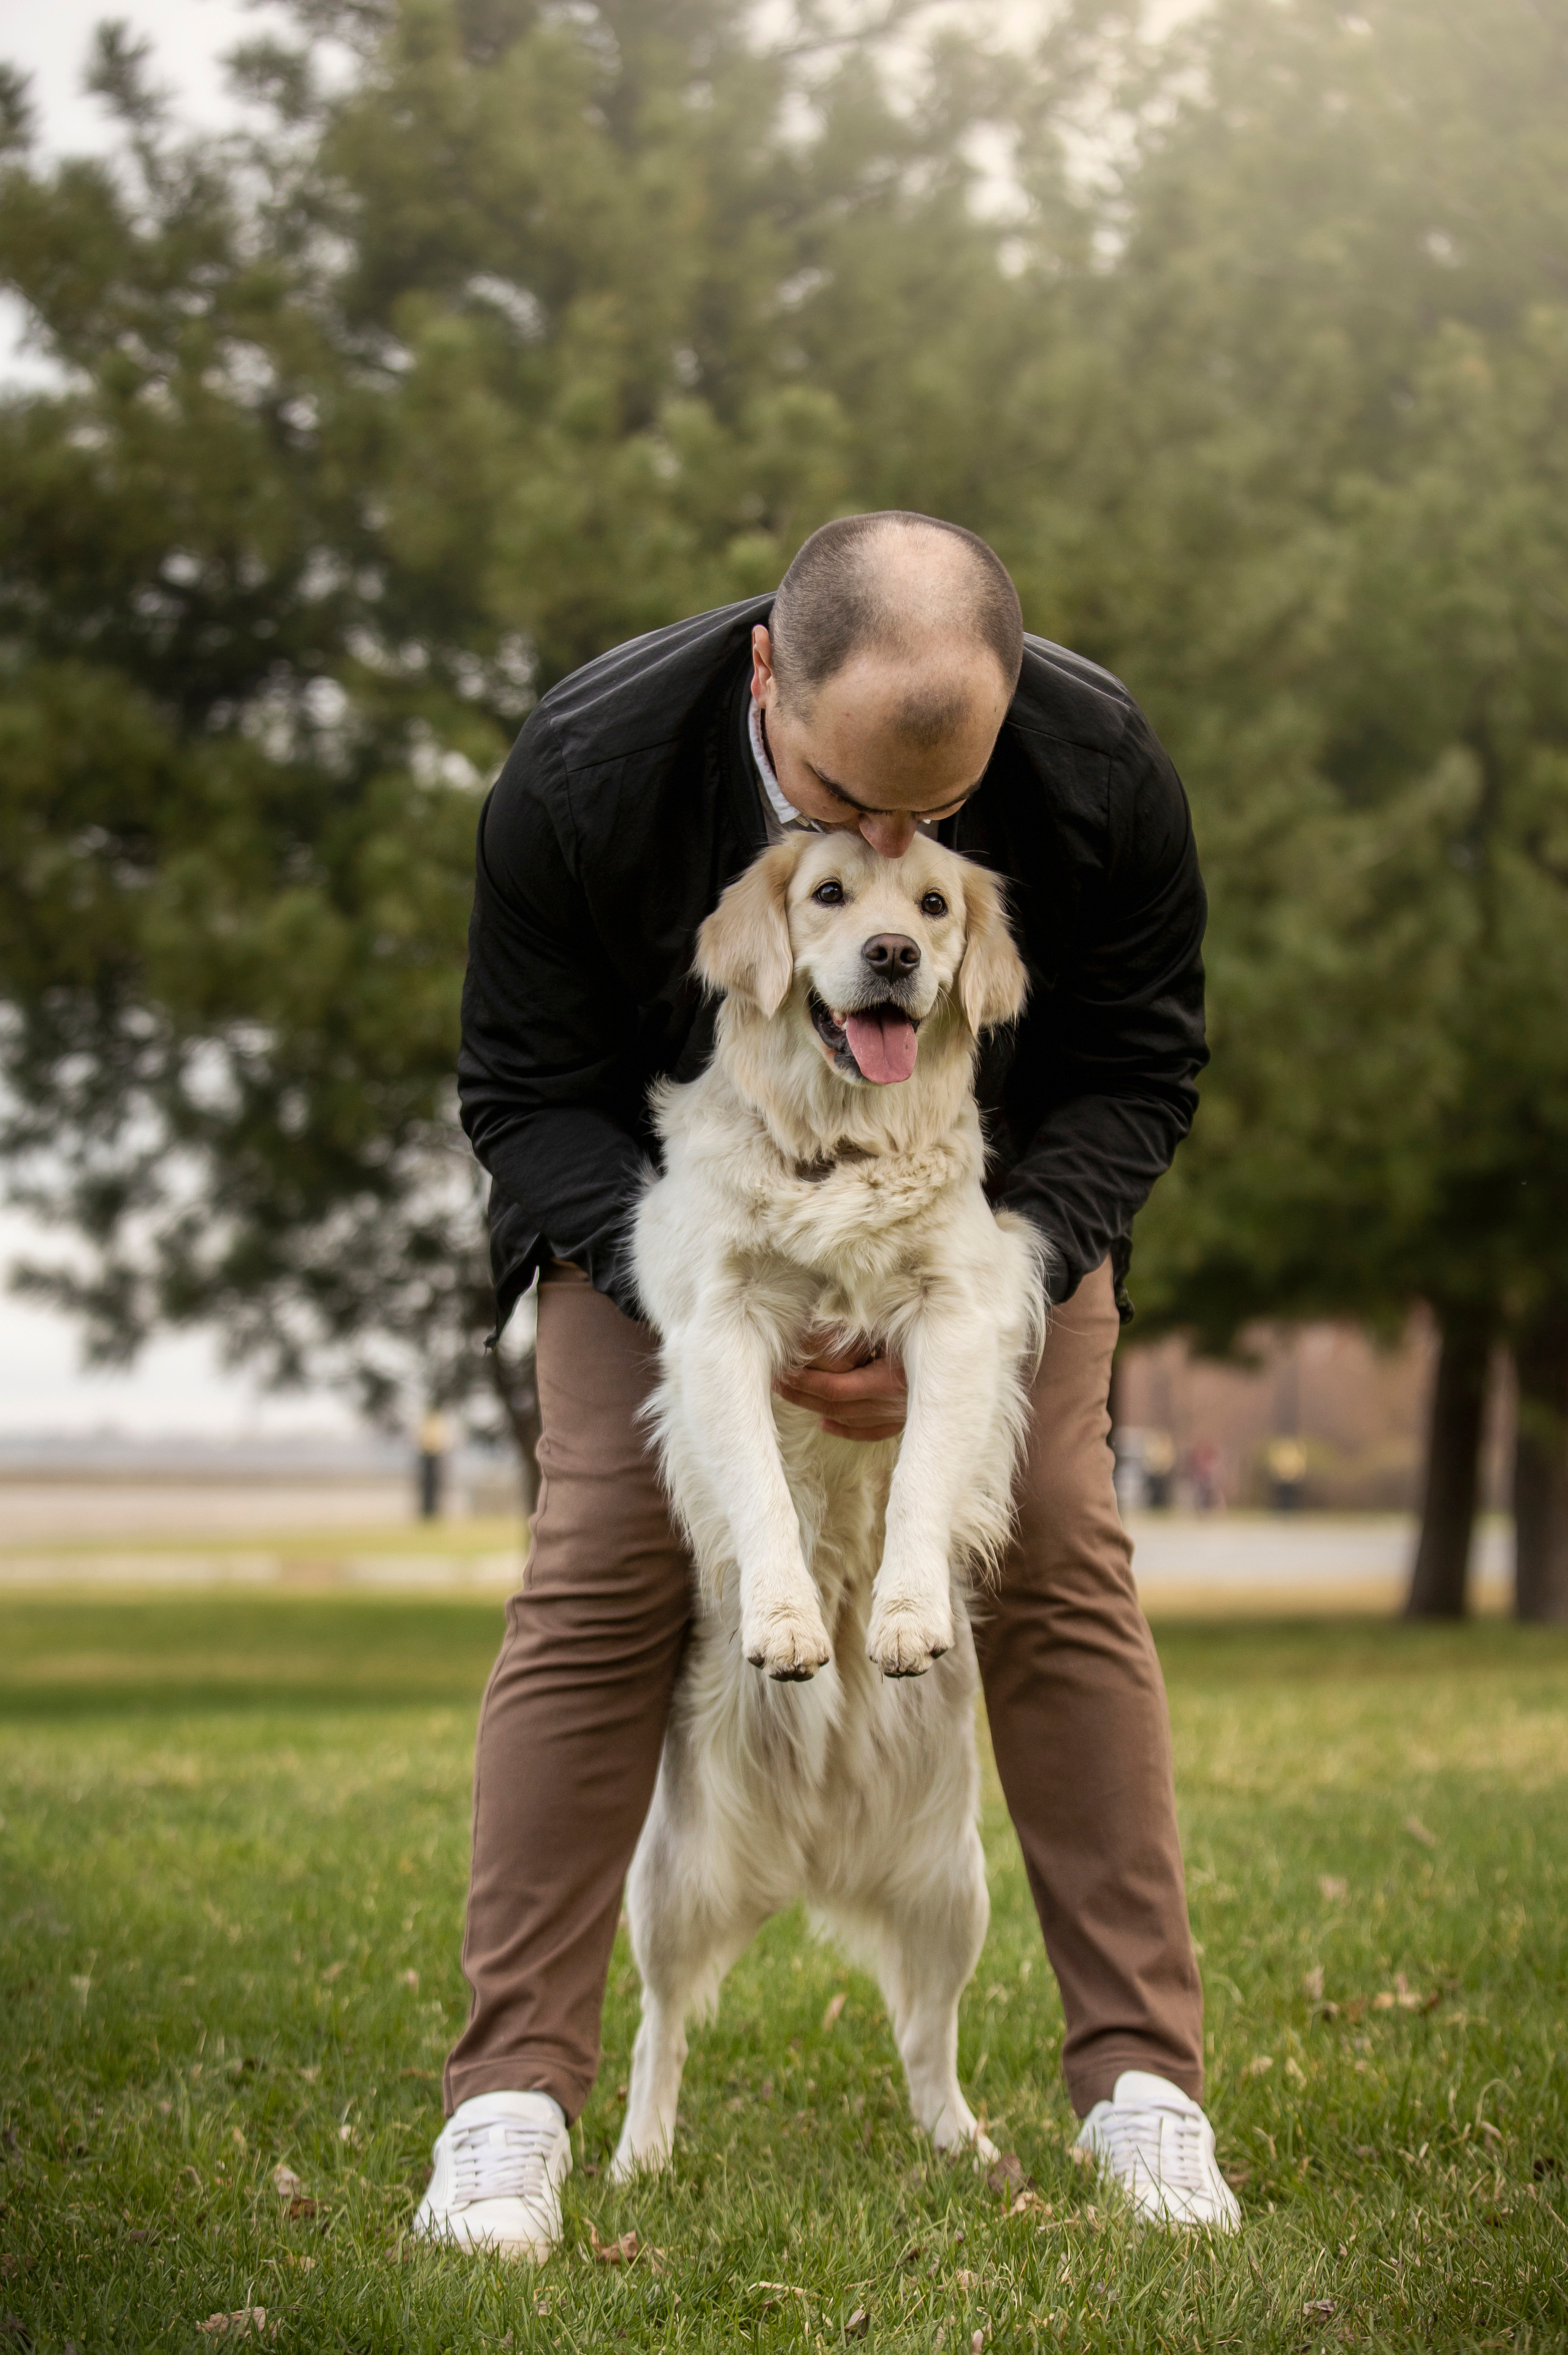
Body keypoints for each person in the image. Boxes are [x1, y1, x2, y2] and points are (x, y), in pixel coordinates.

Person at [412, 512, 1241, 2257]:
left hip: (973, 1201)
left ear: (1009, 711)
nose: (888, 853)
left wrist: (987, 1278)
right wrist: (718, 1283)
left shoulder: (1098, 770)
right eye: (844, 803)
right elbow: (519, 1090)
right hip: (681, 1209)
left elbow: (1144, 1060)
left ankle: (1142, 2087)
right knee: (603, 1561)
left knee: (1070, 1547)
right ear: (767, 674)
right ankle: (509, 2106)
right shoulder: (586, 772)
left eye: (935, 819)